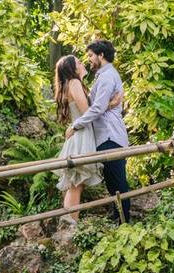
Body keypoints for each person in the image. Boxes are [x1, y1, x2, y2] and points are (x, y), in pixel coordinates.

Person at [66, 40, 132, 224]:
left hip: (111, 135)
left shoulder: (107, 77)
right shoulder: (103, 76)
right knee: (112, 182)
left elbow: (96, 109)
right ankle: (118, 217)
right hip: (104, 135)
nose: (88, 60)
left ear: (101, 55)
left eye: (90, 56)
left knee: (118, 181)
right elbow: (99, 106)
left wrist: (75, 125)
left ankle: (124, 221)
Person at [52, 55, 120, 222]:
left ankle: (69, 220)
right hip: (81, 136)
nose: (82, 63)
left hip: (82, 134)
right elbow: (87, 111)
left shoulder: (74, 84)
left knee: (76, 182)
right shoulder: (74, 83)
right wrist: (111, 104)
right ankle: (70, 222)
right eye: (79, 62)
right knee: (76, 182)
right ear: (72, 69)